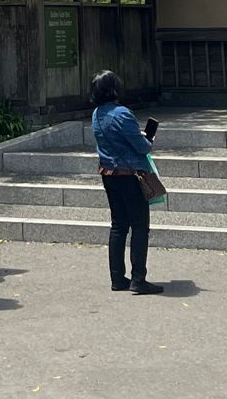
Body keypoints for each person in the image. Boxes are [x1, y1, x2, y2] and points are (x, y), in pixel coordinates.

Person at [89, 70, 160, 295]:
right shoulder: (122, 113)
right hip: (130, 174)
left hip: (108, 174)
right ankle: (139, 278)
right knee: (140, 226)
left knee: (118, 226)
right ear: (114, 89)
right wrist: (148, 139)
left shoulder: (96, 114)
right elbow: (141, 147)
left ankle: (117, 277)